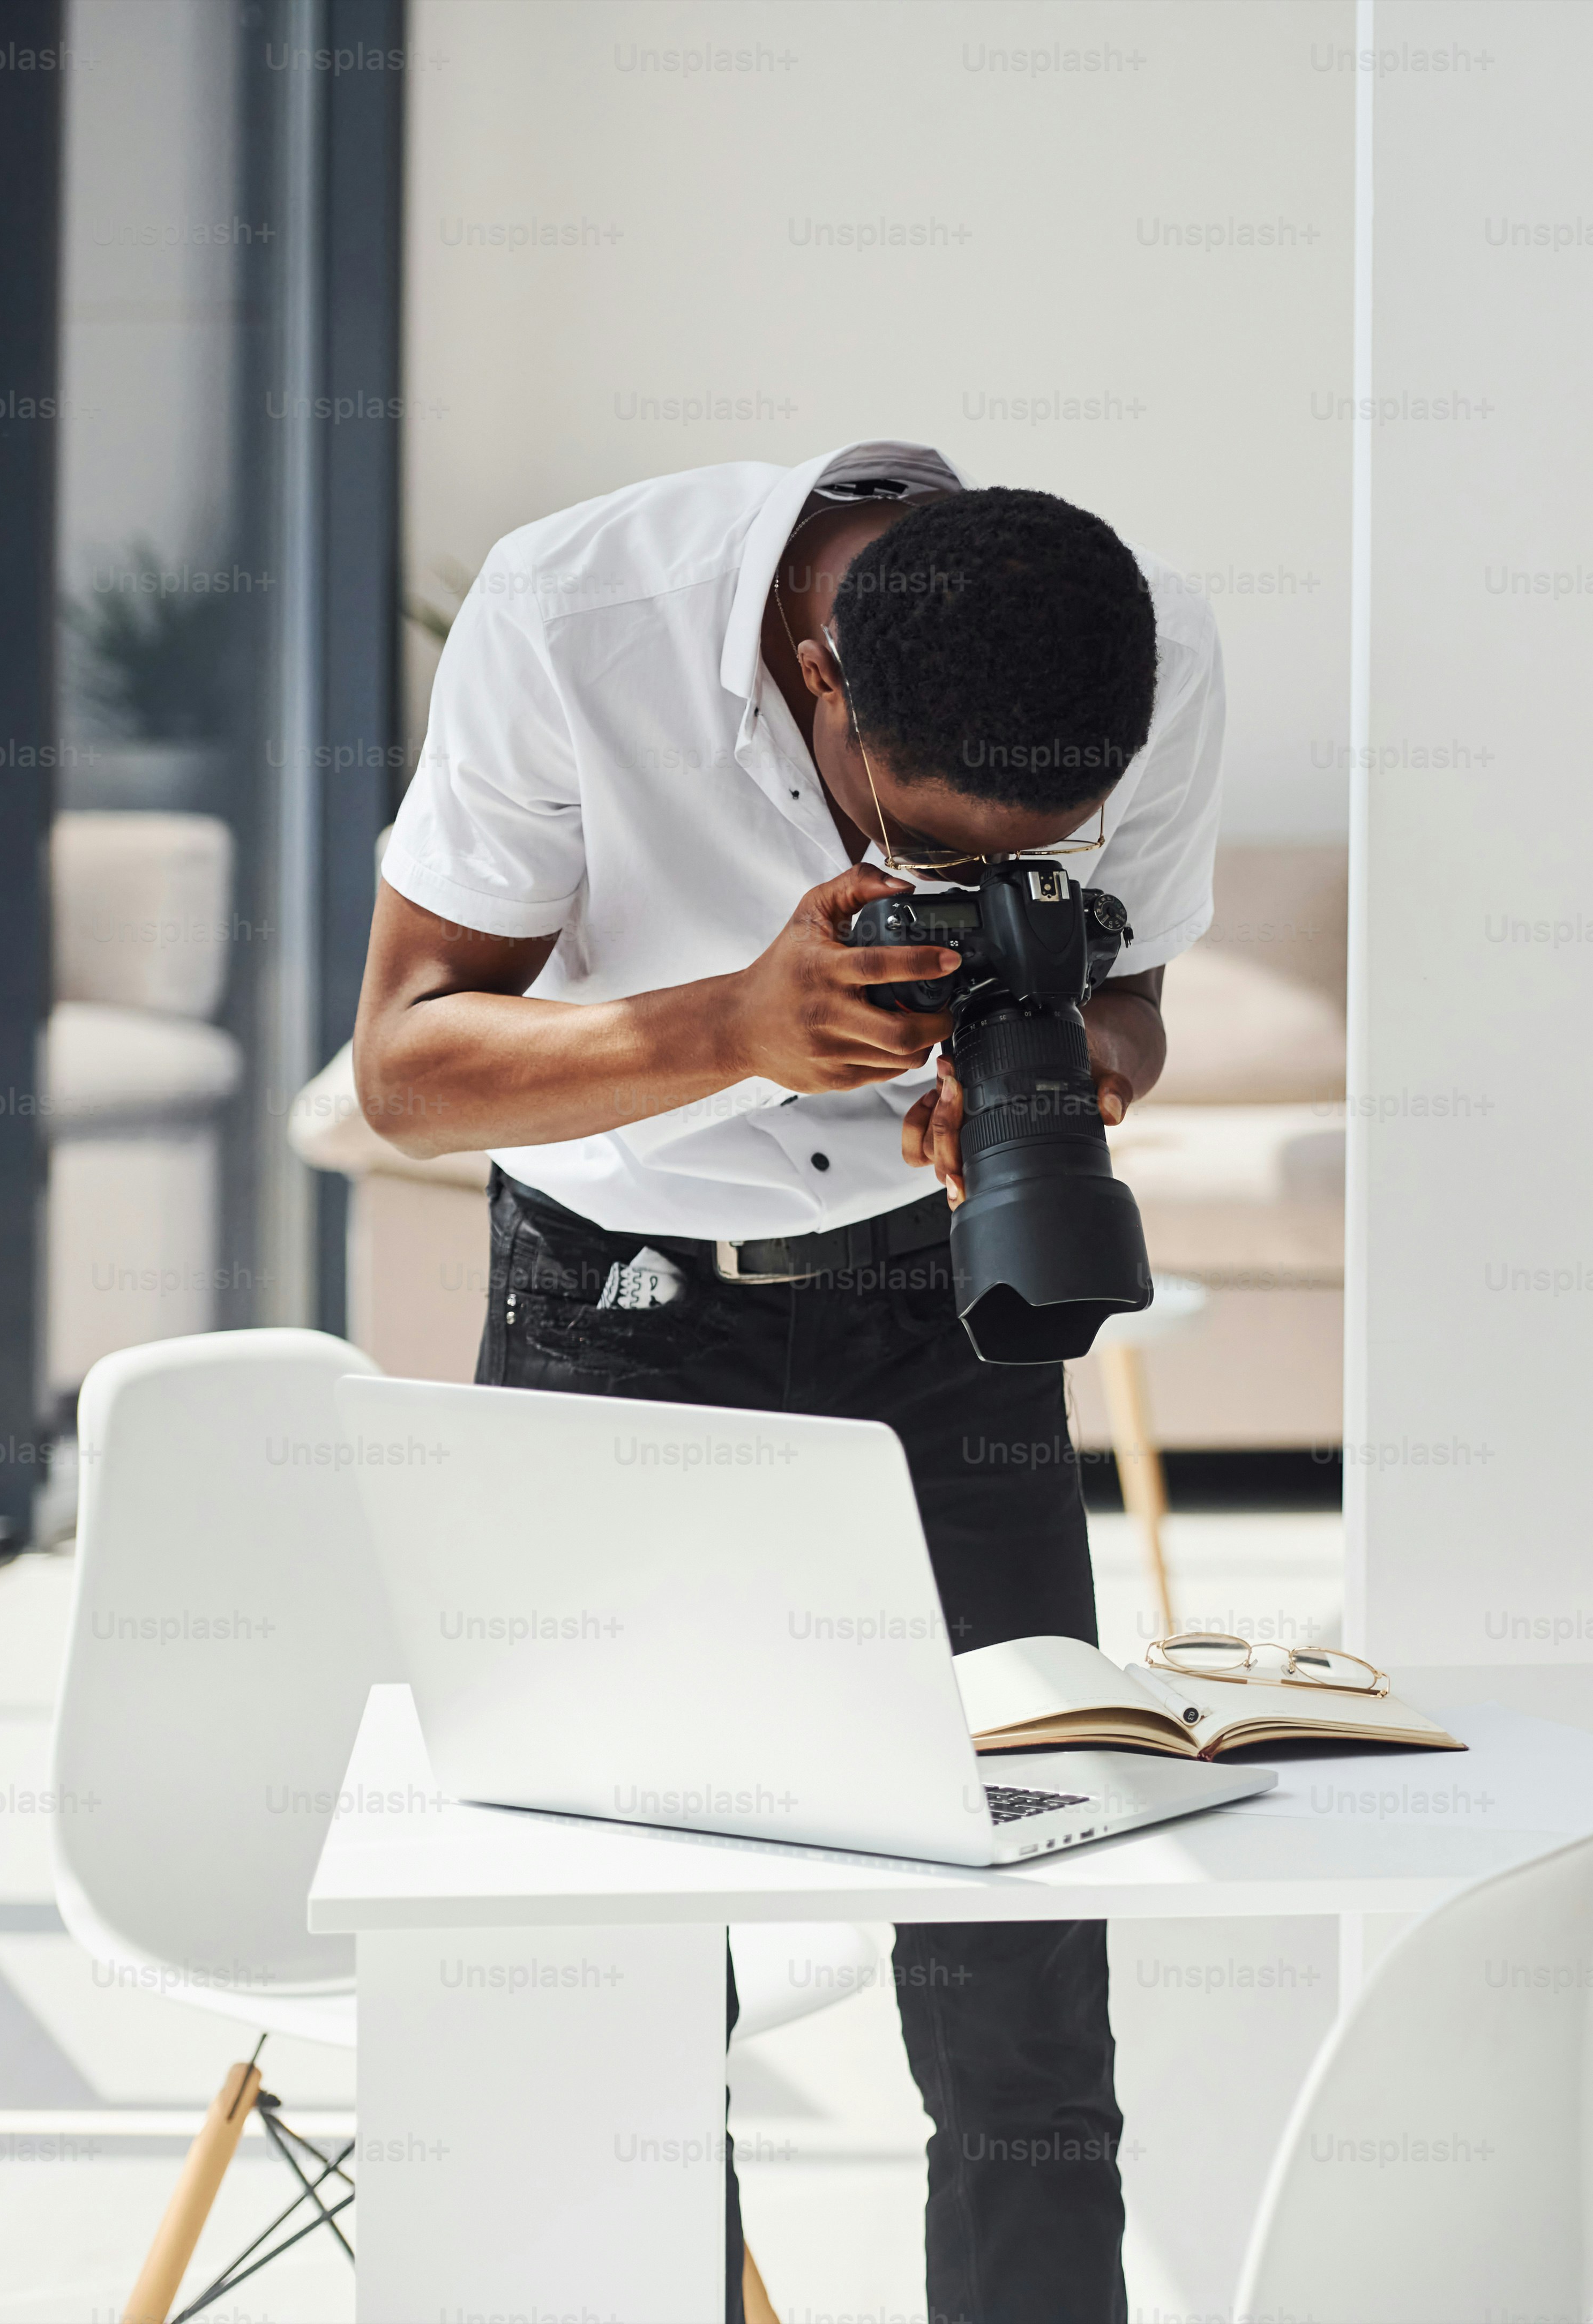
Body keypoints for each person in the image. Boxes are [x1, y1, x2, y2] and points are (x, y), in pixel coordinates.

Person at [353, 439, 1222, 2323]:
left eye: (1019, 861)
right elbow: (405, 1073)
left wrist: (1075, 1063)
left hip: (950, 1305)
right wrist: (730, 1027)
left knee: (1027, 1974)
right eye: (922, 851)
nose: (961, 891)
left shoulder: (1130, 657)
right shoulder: (576, 618)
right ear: (820, 681)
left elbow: (1128, 981)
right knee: (628, 1974)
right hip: (621, 1312)